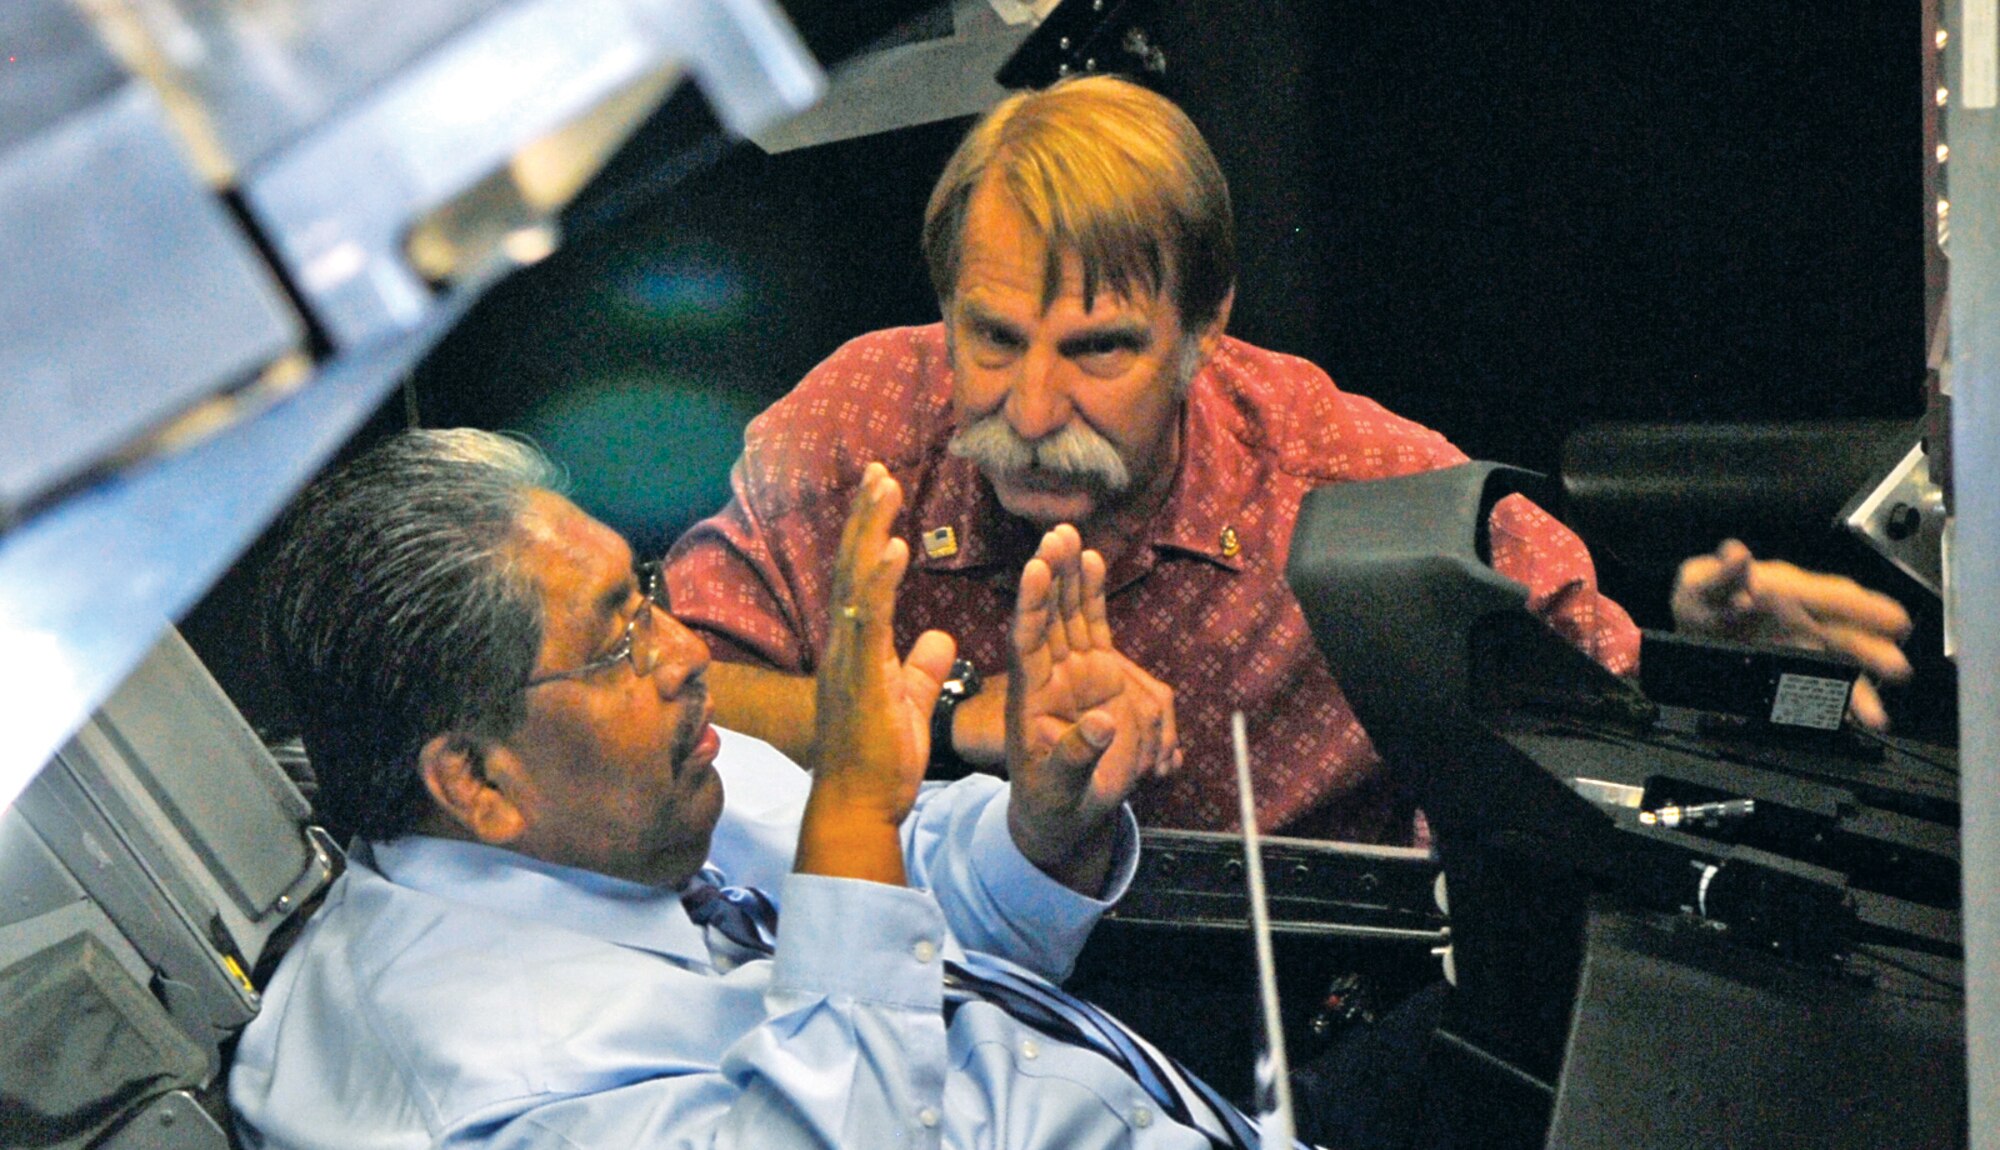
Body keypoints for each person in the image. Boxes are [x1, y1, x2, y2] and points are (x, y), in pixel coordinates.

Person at [664, 74, 1914, 842]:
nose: (1030, 407)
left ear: (1205, 328)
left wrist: (1751, 687)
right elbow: (671, 687)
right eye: (992, 338)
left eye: (1098, 349)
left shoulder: (1361, 491)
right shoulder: (858, 420)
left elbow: (1627, 742)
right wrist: (950, 722)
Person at [229, 428, 1307, 1149]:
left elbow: (912, 914)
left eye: (644, 594)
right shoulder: (482, 1090)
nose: (684, 651)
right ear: (475, 780)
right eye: (616, 643)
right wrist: (851, 809)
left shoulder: (636, 795)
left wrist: (1043, 822)